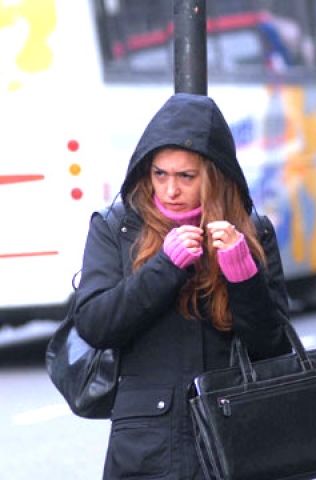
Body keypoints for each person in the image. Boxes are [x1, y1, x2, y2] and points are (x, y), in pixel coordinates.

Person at [72, 93, 292, 479]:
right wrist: (164, 267)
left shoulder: (252, 231)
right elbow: (94, 324)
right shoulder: (117, 227)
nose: (170, 190)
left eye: (186, 177)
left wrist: (243, 276)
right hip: (147, 444)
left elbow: (273, 349)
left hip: (235, 431)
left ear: (214, 175)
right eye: (160, 174)